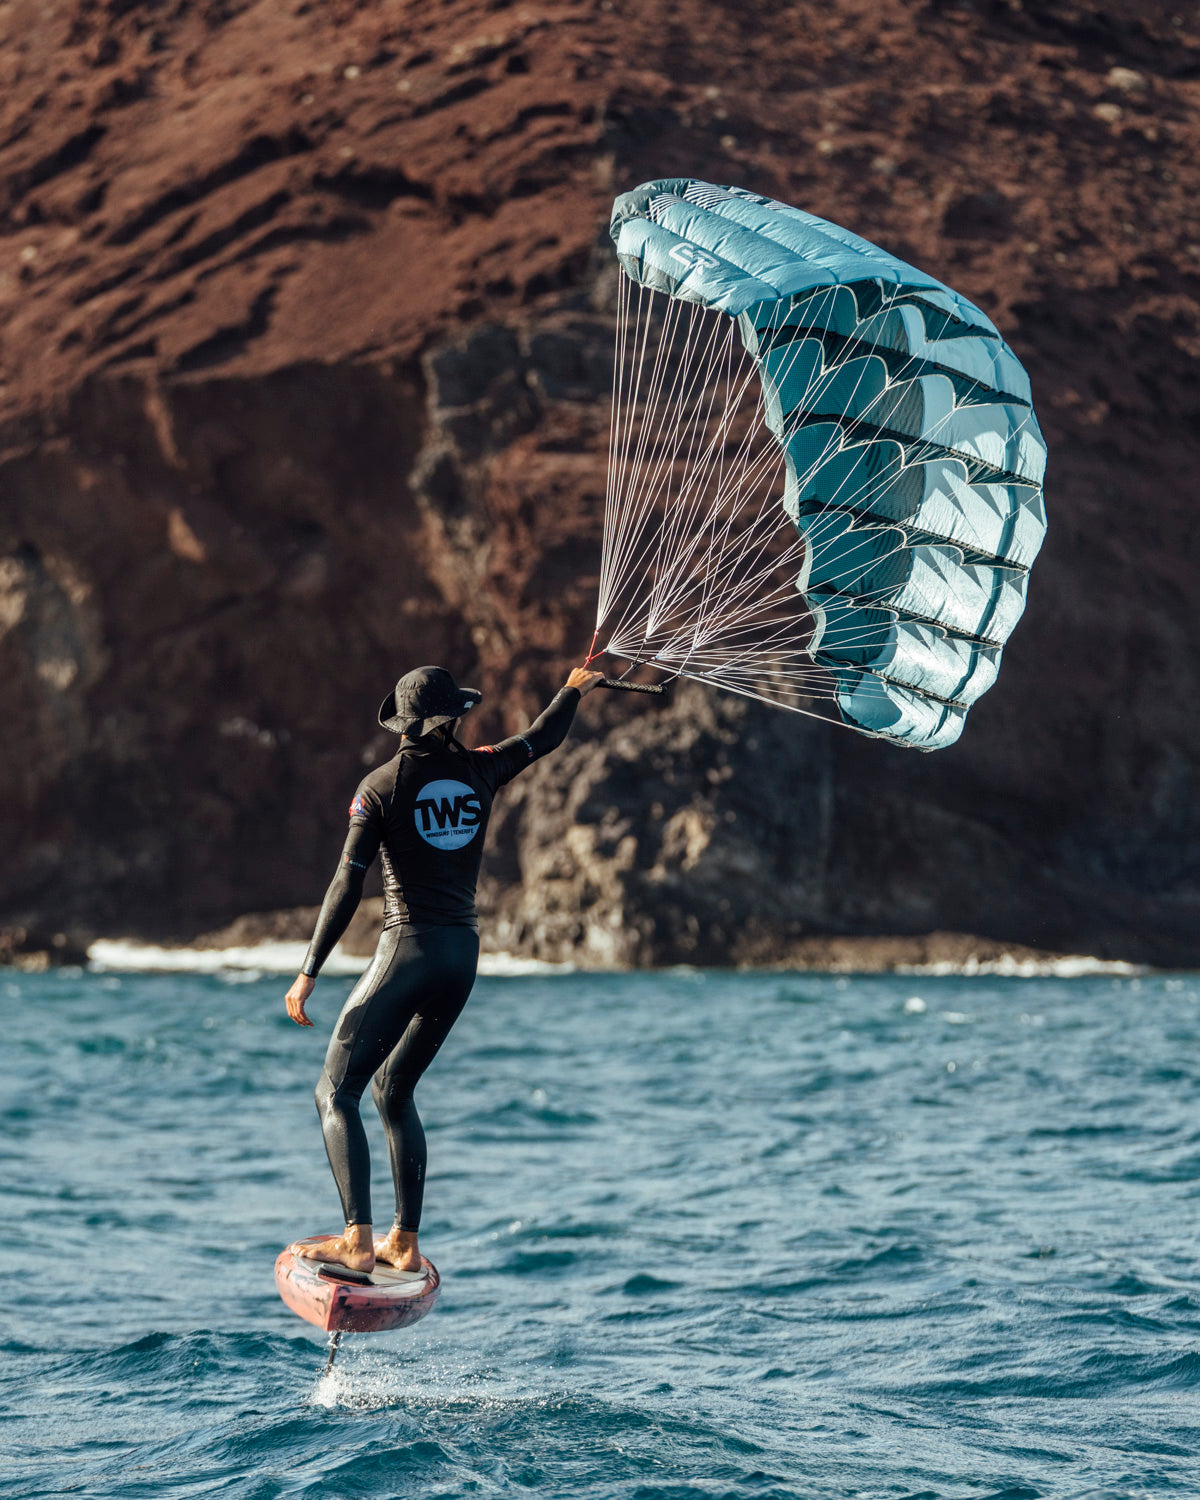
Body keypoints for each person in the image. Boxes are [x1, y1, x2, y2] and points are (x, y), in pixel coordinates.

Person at [284, 662, 604, 1273]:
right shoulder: (480, 767)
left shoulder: (379, 786)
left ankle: (357, 1237)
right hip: (462, 955)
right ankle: (402, 1241)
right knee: (394, 1090)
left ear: (404, 723)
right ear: (451, 718)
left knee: (335, 1090)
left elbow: (346, 885)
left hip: (408, 949)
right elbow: (542, 736)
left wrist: (309, 970)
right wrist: (573, 689)